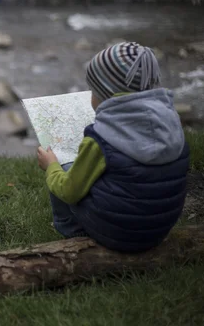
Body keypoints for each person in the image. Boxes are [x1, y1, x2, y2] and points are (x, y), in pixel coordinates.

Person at [37, 41, 190, 252]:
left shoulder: (100, 137)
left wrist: (51, 165)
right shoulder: (170, 119)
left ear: (104, 94)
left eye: (92, 90)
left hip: (120, 233)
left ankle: (71, 231)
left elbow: (69, 191)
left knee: (64, 169)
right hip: (159, 228)